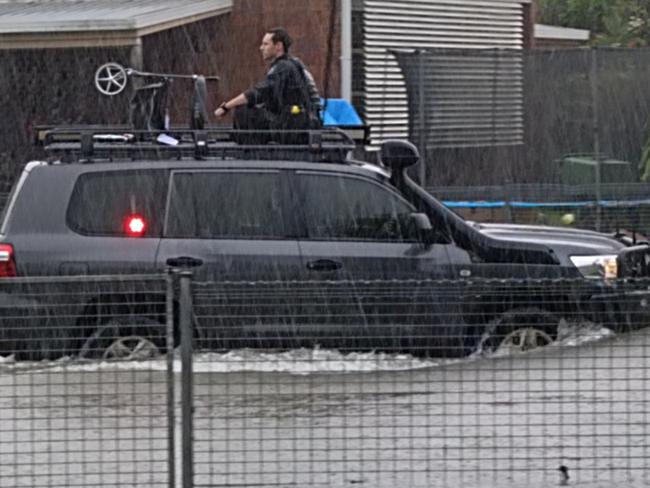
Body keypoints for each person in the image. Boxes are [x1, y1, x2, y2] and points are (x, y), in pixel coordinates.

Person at [214, 28, 322, 143]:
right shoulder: (292, 63)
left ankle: (247, 150)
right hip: (300, 122)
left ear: (278, 46)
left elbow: (258, 93)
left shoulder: (283, 67)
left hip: (295, 126)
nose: (261, 48)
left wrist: (226, 107)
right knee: (253, 111)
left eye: (265, 44)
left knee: (243, 110)